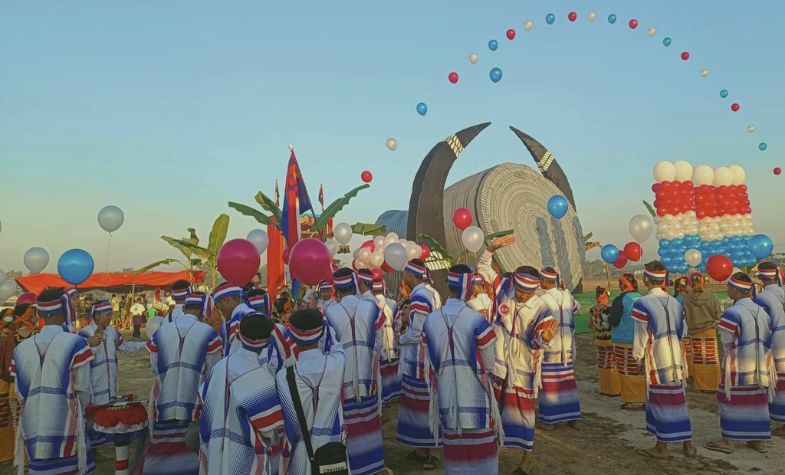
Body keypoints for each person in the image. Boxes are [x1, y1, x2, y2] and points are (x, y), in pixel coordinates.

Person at [422, 265, 500, 474]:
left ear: (449, 286)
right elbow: (490, 363)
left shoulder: (430, 321)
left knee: (455, 454)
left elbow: (429, 362)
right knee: (483, 453)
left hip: (447, 398)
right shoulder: (476, 320)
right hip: (476, 397)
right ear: (468, 288)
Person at [11, 288, 96, 474]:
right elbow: (82, 389)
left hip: (33, 423)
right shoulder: (76, 343)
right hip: (66, 423)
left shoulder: (20, 350)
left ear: (40, 313)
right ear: (63, 310)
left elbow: (19, 393)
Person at [489, 266, 559, 475]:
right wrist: (490, 250)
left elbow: (536, 342)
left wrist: (544, 339)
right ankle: (493, 451)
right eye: (520, 290)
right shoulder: (505, 292)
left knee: (525, 412)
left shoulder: (542, 308)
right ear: (514, 285)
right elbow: (484, 269)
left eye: (528, 293)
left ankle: (526, 459)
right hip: (499, 364)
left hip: (522, 367)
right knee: (495, 409)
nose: (523, 295)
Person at [144, 292, 223, 475]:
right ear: (203, 312)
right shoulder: (209, 333)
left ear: (184, 308)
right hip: (194, 404)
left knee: (161, 451)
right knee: (193, 451)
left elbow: (154, 367)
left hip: (164, 401)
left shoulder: (161, 332)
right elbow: (214, 371)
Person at [199, 313, 284, 475]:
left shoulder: (220, 367)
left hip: (214, 448)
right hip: (245, 455)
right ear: (266, 343)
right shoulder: (261, 377)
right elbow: (270, 429)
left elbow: (203, 400)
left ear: (238, 335)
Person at [324, 268, 389, 475]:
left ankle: (354, 468)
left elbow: (325, 349)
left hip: (342, 381)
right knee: (369, 423)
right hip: (367, 377)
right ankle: (374, 467)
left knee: (349, 427)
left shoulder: (329, 313)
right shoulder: (371, 308)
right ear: (354, 285)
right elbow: (379, 341)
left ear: (337, 289)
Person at [704, 272, 775, 455]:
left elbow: (726, 341)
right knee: (757, 399)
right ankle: (757, 440)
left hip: (739, 363)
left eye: (729, 287)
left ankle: (729, 440)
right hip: (761, 362)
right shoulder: (763, 312)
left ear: (735, 289)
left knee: (732, 399)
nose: (727, 290)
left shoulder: (732, 312)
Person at [631, 261, 696, 459]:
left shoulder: (642, 303)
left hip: (657, 357)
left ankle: (662, 447)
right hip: (676, 357)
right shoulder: (676, 302)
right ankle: (687, 443)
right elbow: (683, 330)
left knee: (660, 400)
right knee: (678, 398)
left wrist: (638, 358)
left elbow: (641, 335)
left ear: (646, 279)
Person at [79, 301, 148, 472]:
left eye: (111, 314)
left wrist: (146, 345)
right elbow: (80, 359)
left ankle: (105, 448)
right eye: (108, 315)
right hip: (93, 385)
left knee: (107, 415)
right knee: (91, 418)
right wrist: (90, 345)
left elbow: (125, 347)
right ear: (96, 315)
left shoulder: (113, 332)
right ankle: (92, 452)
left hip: (111, 385)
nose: (111, 318)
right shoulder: (84, 334)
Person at [276, 309, 347, 475]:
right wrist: (326, 329)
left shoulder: (284, 376)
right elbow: (337, 345)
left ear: (292, 337)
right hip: (333, 450)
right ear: (321, 332)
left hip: (301, 453)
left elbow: (290, 426)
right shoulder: (337, 364)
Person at [396, 259, 443, 470]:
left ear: (410, 275)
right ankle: (422, 448)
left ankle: (433, 451)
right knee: (420, 403)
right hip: (427, 357)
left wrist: (401, 339)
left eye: (405, 272)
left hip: (421, 360)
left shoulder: (420, 297)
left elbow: (417, 333)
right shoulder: (430, 293)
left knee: (425, 404)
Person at [538, 267, 581, 429]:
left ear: (543, 281)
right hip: (568, 346)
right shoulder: (566, 296)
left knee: (549, 383)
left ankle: (550, 420)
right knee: (567, 381)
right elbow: (578, 307)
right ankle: (572, 416)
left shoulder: (542, 300)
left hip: (551, 345)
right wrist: (567, 290)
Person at [754, 262, 785, 436]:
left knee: (780, 383)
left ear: (761, 278)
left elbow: (763, 324)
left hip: (777, 342)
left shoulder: (762, 298)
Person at [610, 273, 645, 410]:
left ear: (622, 284)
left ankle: (631, 400)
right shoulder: (642, 298)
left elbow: (614, 320)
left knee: (626, 370)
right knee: (641, 370)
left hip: (624, 339)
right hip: (641, 339)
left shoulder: (620, 300)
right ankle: (644, 398)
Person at [683, 272, 722, 392]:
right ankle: (714, 384)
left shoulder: (686, 298)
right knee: (711, 360)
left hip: (694, 333)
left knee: (699, 360)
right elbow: (718, 315)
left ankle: (701, 385)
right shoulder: (711, 298)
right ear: (703, 282)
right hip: (710, 331)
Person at [372, 273, 400, 405]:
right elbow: (398, 322)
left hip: (378, 341)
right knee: (392, 368)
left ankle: (384, 398)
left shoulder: (370, 304)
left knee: (381, 371)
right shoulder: (392, 303)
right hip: (391, 339)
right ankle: (395, 394)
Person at [589, 287, 621, 397]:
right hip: (610, 340)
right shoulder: (609, 309)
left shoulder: (592, 310)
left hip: (599, 340)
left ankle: (605, 388)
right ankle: (614, 389)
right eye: (605, 297)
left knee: (603, 364)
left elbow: (590, 325)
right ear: (604, 297)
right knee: (612, 364)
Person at [213, 282, 254, 356]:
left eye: (218, 306)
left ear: (226, 300)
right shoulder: (251, 314)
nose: (220, 311)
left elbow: (235, 357)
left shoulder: (238, 318)